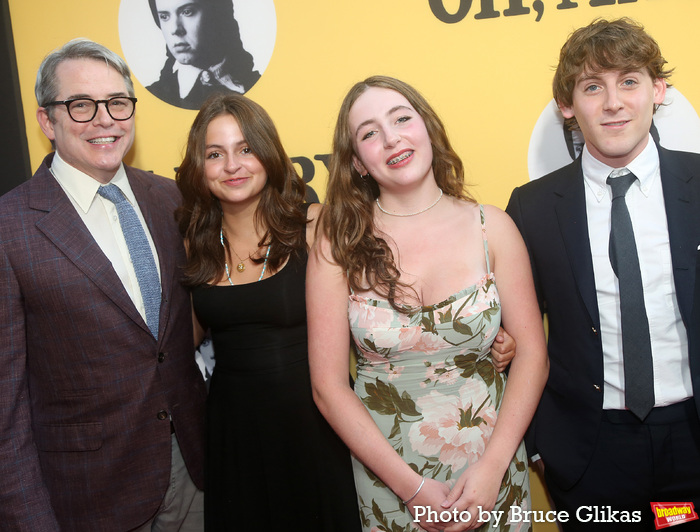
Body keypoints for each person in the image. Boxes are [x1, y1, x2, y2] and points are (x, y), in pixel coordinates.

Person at [307, 76, 548, 532]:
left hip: (490, 469)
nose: (392, 137)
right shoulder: (337, 245)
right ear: (357, 162)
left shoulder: (492, 227)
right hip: (390, 477)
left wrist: (493, 469)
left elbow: (533, 354)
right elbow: (328, 387)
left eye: (401, 118)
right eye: (369, 132)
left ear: (427, 128)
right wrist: (410, 489)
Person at [0, 39, 206, 531]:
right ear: (47, 120)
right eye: (80, 105)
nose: (104, 119)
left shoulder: (170, 198)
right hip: (90, 497)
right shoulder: (9, 228)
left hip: (195, 472)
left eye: (117, 102)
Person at [506, 18, 700, 530]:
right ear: (568, 105)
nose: (613, 103)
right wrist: (539, 446)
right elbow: (512, 335)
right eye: (593, 87)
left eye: (629, 81)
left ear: (658, 90)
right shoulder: (531, 209)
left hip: (692, 440)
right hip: (590, 454)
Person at [175, 92, 360, 530]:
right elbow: (180, 341)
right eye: (215, 154)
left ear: (269, 153)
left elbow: (381, 313)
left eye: (245, 149)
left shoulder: (316, 225)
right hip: (234, 436)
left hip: (318, 426)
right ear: (199, 168)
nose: (232, 166)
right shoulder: (192, 245)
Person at [146, 0, 260, 110]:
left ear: (216, 14)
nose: (175, 29)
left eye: (187, 12)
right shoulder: (150, 99)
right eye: (164, 17)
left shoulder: (258, 88)